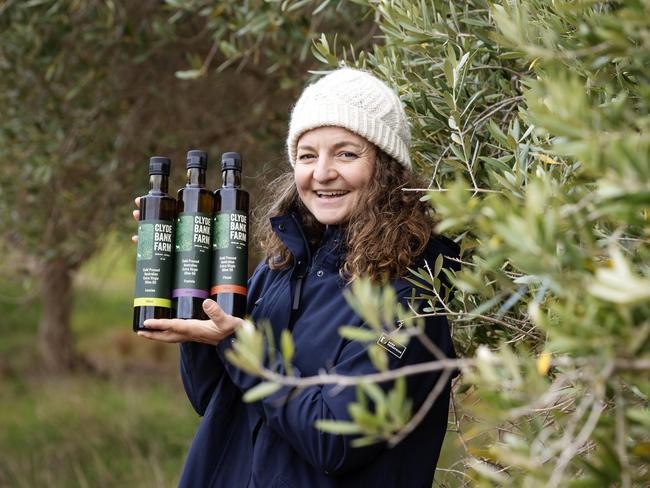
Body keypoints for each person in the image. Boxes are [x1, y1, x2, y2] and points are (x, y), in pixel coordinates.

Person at [134, 67, 460, 487]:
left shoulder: (414, 296)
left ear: (387, 167)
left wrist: (242, 344)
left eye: (345, 153)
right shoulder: (284, 268)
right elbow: (215, 401)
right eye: (307, 155)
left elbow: (336, 442)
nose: (322, 173)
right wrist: (194, 293)